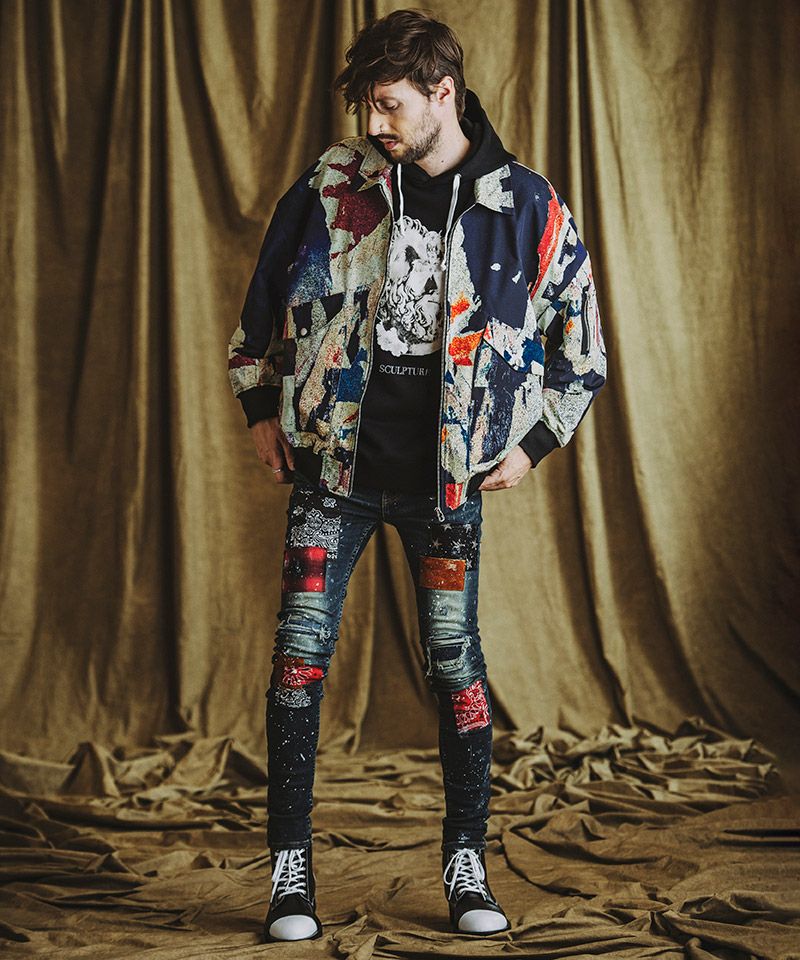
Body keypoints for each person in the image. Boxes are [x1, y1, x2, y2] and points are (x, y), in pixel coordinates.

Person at [227, 8, 607, 944]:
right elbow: (262, 299)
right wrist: (261, 405)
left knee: (456, 665)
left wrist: (533, 443)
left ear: (445, 94)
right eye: (366, 106)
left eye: (390, 105)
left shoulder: (524, 206)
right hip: (332, 472)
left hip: (446, 486)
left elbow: (583, 348)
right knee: (297, 663)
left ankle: (466, 862)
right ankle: (289, 873)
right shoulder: (336, 182)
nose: (374, 125)